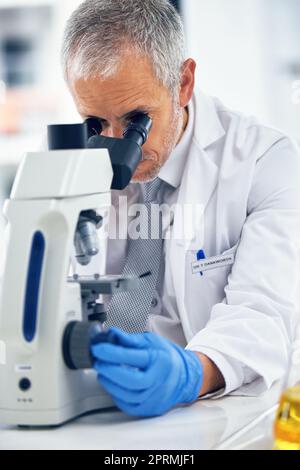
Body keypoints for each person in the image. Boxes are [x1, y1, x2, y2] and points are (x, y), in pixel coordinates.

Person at [61, 0, 300, 417]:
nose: (117, 144)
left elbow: (263, 312)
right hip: (93, 410)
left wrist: (191, 371)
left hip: (218, 412)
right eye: (96, 124)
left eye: (137, 120)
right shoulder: (68, 167)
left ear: (183, 83)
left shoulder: (264, 160)